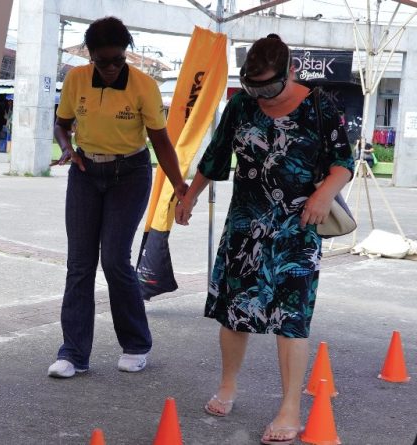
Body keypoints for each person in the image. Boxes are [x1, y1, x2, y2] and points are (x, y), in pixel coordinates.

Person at [174, 34, 353, 445]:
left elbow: (342, 161)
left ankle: (290, 407)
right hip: (245, 225)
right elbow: (216, 156)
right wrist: (189, 197)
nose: (262, 97)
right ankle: (228, 385)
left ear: (291, 71)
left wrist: (324, 194)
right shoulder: (240, 105)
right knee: (235, 311)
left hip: (299, 227)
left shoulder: (321, 105)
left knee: (291, 317)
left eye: (269, 88)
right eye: (254, 88)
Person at [48, 16, 188, 379]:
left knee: (113, 259)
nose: (111, 68)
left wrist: (180, 186)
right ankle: (73, 353)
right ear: (89, 55)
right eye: (102, 60)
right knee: (79, 263)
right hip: (85, 173)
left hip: (129, 174)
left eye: (117, 60)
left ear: (126, 55)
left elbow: (160, 141)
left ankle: (136, 344)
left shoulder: (144, 86)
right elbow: (62, 124)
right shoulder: (76, 79)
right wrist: (67, 148)